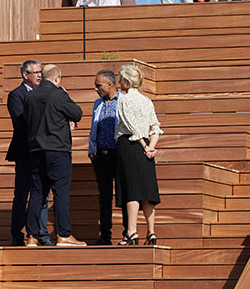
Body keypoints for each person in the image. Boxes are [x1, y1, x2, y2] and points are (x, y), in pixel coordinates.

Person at [24, 64, 86, 247]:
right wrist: (64, 94)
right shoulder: (59, 94)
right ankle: (64, 235)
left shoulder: (30, 96)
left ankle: (32, 236)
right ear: (57, 78)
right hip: (57, 151)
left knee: (37, 193)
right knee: (60, 193)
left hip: (36, 151)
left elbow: (29, 118)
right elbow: (77, 113)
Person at [115, 64, 162, 246]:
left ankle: (132, 231)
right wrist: (151, 147)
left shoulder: (123, 100)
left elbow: (131, 127)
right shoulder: (146, 100)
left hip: (130, 146)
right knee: (148, 190)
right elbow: (155, 127)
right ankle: (151, 232)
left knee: (132, 190)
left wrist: (144, 145)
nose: (119, 82)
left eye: (121, 79)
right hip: (146, 149)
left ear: (126, 81)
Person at [6, 59, 47, 246]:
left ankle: (39, 233)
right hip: (25, 152)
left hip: (42, 151)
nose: (40, 75)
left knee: (42, 194)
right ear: (25, 75)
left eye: (41, 72)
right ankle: (17, 234)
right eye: (36, 72)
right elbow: (20, 122)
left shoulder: (45, 93)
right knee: (22, 194)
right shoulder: (16, 95)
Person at [87, 70, 120, 245]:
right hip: (101, 156)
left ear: (110, 84)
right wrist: (92, 151)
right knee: (104, 197)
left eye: (98, 85)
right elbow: (94, 128)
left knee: (123, 194)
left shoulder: (123, 101)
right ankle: (105, 236)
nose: (96, 89)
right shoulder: (97, 103)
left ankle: (127, 234)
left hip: (118, 155)